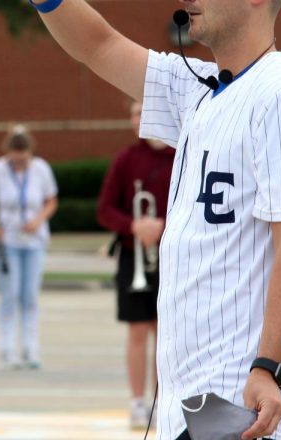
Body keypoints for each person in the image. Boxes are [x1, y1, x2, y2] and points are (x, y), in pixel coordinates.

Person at [0, 0, 281, 440]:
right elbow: (98, 45)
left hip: (246, 406)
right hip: (192, 401)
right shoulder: (202, 88)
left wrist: (269, 368)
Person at [97, 100, 174, 429]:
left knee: (165, 333)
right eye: (134, 114)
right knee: (138, 331)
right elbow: (105, 210)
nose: (138, 120)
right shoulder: (126, 160)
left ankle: (162, 400)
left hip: (170, 255)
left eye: (144, 112)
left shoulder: (179, 155)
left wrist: (163, 225)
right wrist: (134, 226)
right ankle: (137, 401)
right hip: (133, 256)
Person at [0, 125, 58, 369]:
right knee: (9, 295)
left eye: (24, 156)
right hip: (6, 243)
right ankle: (7, 348)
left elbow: (51, 201)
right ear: (8, 152)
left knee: (30, 296)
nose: (20, 161)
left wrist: (39, 219)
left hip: (34, 242)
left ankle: (31, 348)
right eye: (15, 156)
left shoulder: (41, 169)